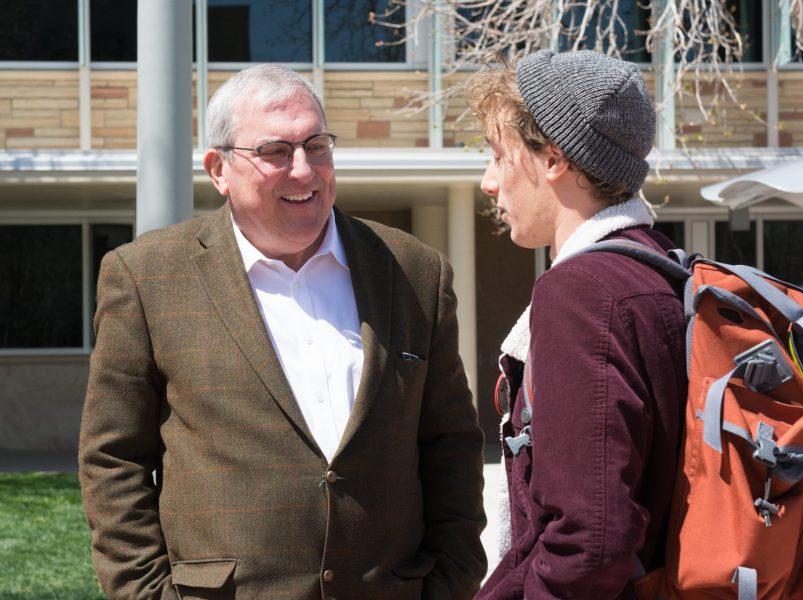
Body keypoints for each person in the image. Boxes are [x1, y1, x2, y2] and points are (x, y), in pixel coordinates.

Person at [79, 63, 487, 599]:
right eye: (275, 151)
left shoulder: (412, 272)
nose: (303, 170)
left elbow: (450, 444)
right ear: (219, 169)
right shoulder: (146, 277)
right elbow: (114, 459)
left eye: (317, 146)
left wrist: (450, 581)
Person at [469, 50, 687, 599]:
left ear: (554, 159)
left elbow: (590, 541)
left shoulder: (583, 293)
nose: (488, 181)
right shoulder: (661, 268)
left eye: (500, 155)